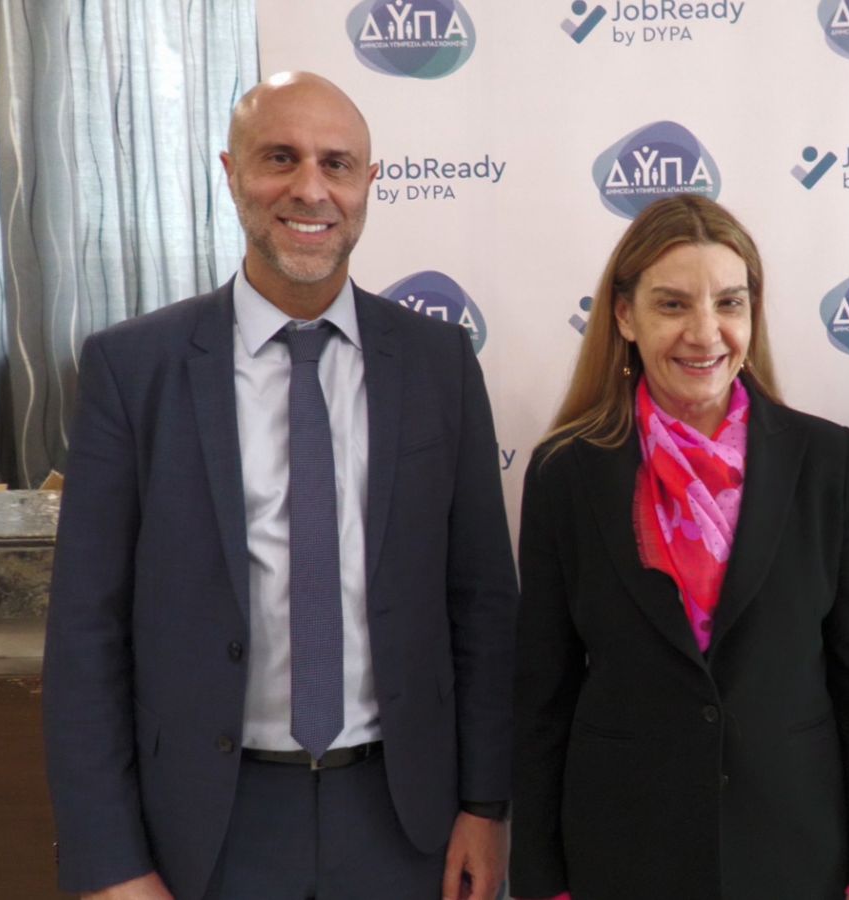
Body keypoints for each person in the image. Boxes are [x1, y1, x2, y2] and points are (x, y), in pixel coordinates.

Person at [42, 72, 518, 900]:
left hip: (405, 823)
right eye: (279, 158)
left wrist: (487, 805)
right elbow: (87, 633)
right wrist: (109, 859)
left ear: (369, 184)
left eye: (337, 164)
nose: (310, 189)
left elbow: (481, 604)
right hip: (206, 829)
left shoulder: (439, 365)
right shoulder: (132, 369)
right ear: (231, 174)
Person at [510, 195, 849, 900]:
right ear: (624, 316)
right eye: (672, 305)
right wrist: (542, 882)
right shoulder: (566, 473)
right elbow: (544, 695)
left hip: (794, 851)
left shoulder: (825, 461)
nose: (705, 333)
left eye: (729, 303)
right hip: (622, 854)